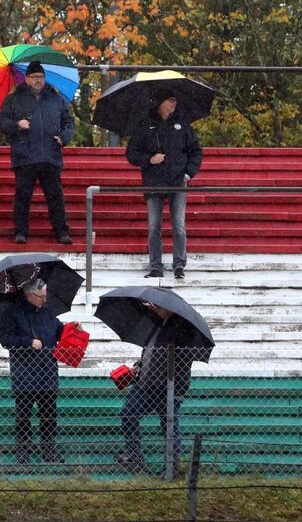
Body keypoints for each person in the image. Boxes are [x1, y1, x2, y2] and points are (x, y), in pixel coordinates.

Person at [0, 278, 82, 464]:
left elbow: (60, 331)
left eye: (45, 296)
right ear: (30, 296)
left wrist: (72, 327)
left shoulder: (48, 313)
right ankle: (23, 451)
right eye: (41, 297)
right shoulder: (11, 313)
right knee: (23, 416)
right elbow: (5, 339)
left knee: (49, 415)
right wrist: (28, 342)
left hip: (47, 373)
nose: (44, 300)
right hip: (25, 374)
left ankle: (49, 450)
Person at [0, 61, 75, 245]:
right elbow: (0, 122)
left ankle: (61, 231)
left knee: (55, 197)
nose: (39, 81)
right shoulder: (14, 98)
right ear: (27, 78)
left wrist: (64, 138)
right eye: (35, 77)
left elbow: (69, 121)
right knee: (22, 196)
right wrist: (17, 125)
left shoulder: (56, 98)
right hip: (25, 156)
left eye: (41, 77)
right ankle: (20, 232)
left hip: (50, 154)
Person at [126, 87, 202, 279]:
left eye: (175, 100)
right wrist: (149, 159)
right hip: (154, 181)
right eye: (170, 100)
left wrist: (188, 172)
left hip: (178, 181)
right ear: (160, 102)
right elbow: (131, 153)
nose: (173, 104)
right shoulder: (145, 126)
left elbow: (196, 151)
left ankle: (179, 265)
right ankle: (156, 266)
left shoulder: (183, 126)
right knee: (154, 226)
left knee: (178, 225)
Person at [115, 302, 198, 474]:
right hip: (145, 384)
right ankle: (134, 457)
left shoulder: (180, 330)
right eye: (155, 305)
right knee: (129, 414)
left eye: (159, 306)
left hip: (167, 387)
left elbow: (181, 361)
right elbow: (150, 353)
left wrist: (174, 386)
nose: (156, 308)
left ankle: (173, 466)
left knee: (169, 425)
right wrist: (138, 366)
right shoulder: (156, 326)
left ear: (170, 308)